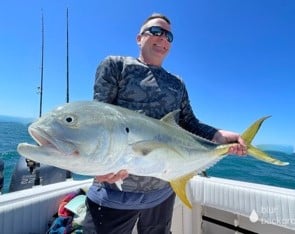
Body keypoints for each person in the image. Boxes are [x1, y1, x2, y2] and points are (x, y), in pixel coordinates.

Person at [84, 13, 247, 234]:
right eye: (156, 31)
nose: (163, 39)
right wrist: (96, 167)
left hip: (161, 194)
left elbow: (189, 122)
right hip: (113, 194)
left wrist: (219, 137)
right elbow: (98, 119)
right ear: (139, 38)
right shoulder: (116, 66)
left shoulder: (177, 83)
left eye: (169, 36)